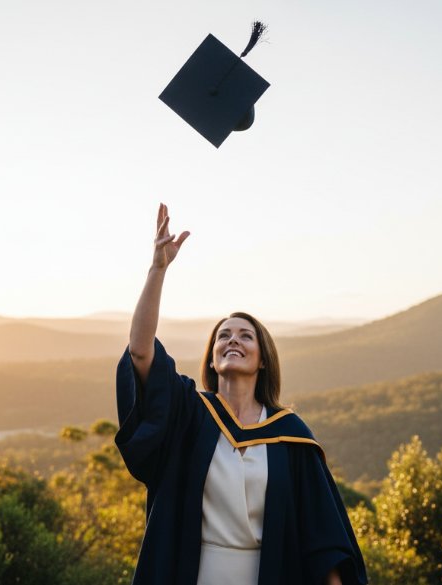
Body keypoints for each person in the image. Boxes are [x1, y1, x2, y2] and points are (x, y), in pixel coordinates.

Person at [115, 203, 367, 585]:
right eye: (223, 336)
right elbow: (140, 351)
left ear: (263, 359)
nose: (233, 340)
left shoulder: (290, 434)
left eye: (245, 335)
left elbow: (324, 537)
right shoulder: (191, 413)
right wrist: (158, 269)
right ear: (213, 360)